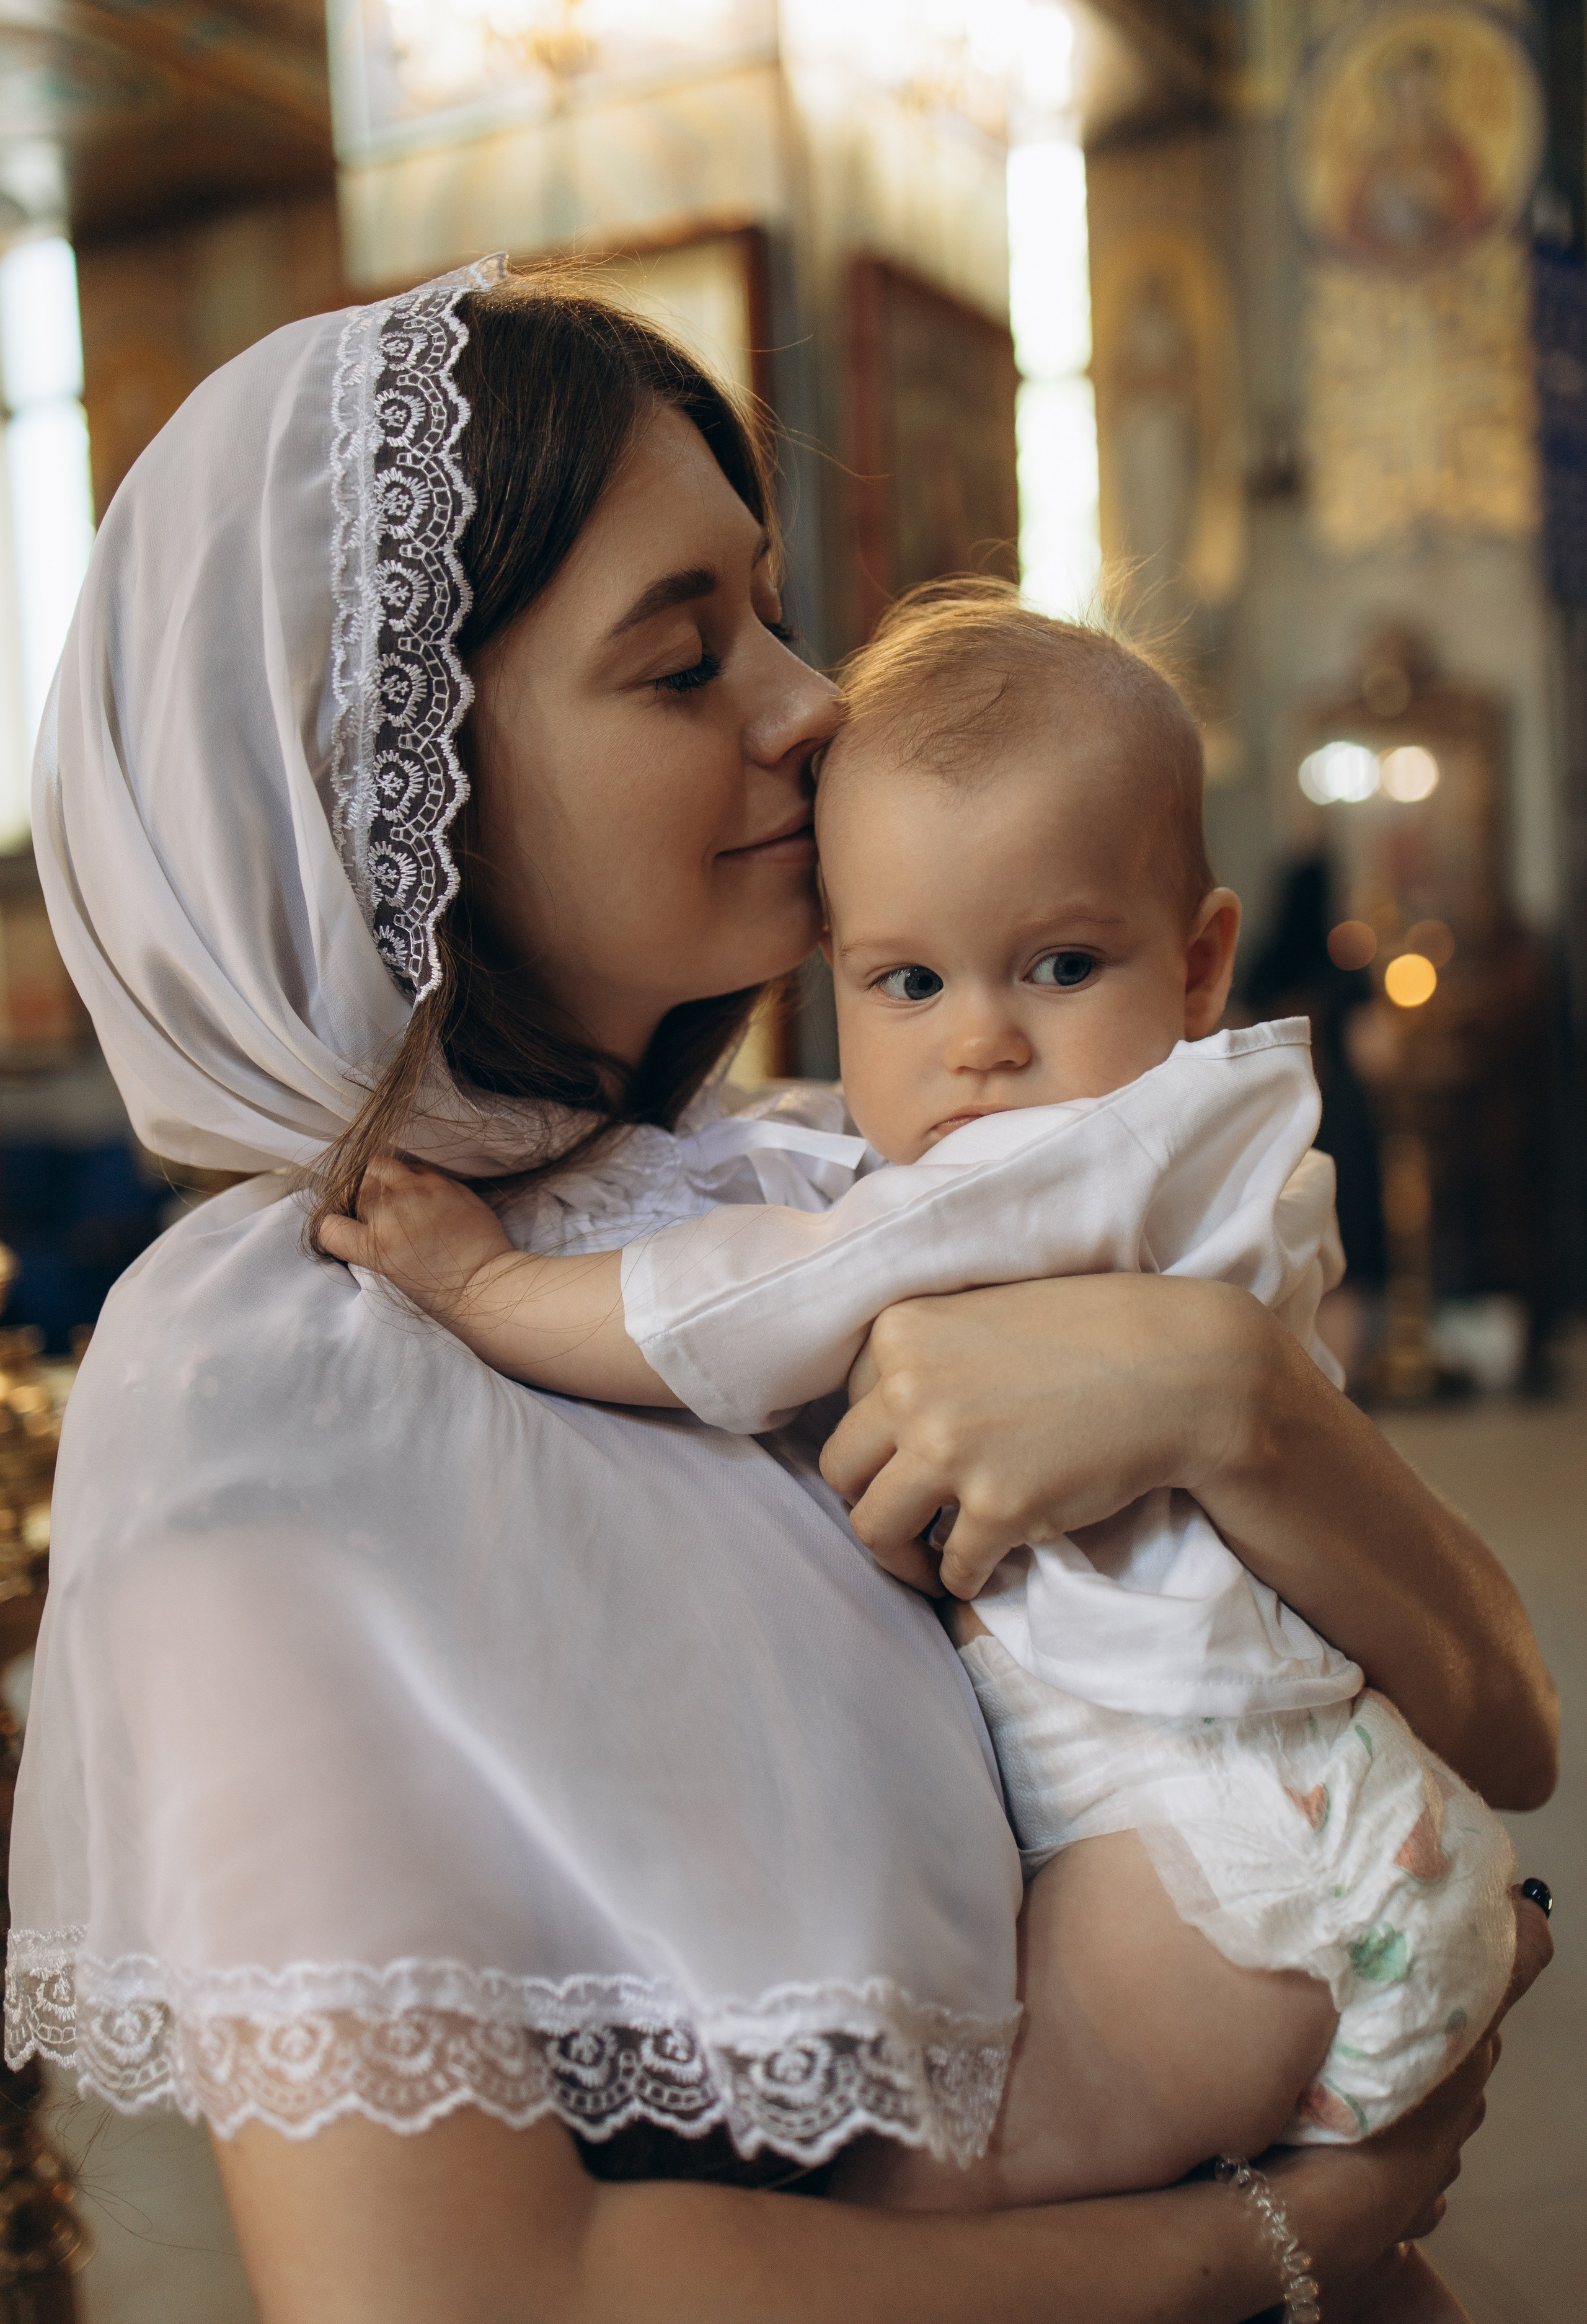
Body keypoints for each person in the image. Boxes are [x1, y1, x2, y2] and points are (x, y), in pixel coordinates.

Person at [4, 260, 1555, 2324]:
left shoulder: (837, 1160)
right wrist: (1268, 2241)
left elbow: (1508, 1728)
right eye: (681, 661)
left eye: (770, 603)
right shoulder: (273, 1395)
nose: (816, 699)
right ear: (383, 799)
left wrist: (1229, 1395)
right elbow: (465, 2301)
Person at [323, 585, 1514, 2225]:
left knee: (926, 2202)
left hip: (1214, 1853)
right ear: (834, 981)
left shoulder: (1058, 1163)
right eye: (909, 985)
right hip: (1287, 1834)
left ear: (1200, 964)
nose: (985, 1044)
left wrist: (481, 1290)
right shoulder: (1188, 1141)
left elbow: (751, 1303)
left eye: (1061, 963)